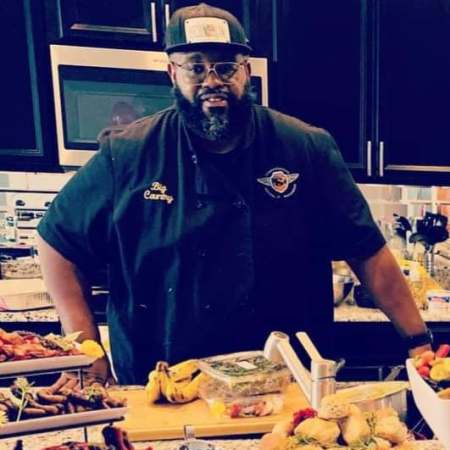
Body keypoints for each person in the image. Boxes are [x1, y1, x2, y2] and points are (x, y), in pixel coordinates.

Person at [36, 3, 432, 386]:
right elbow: (57, 243)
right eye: (196, 67)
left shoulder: (304, 148)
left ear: (246, 71)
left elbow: (368, 252)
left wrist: (419, 342)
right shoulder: (127, 154)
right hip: (163, 384)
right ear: (172, 73)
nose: (212, 81)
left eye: (226, 67)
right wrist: (87, 352)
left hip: (287, 385)